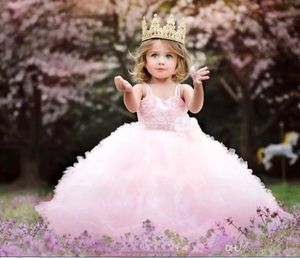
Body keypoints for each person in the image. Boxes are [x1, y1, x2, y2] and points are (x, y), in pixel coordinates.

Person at [35, 14, 293, 243]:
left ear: (178, 61)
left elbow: (195, 107)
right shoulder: (141, 88)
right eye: (154, 56)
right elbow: (133, 105)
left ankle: (192, 223)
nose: (161, 61)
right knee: (140, 188)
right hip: (142, 144)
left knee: (191, 186)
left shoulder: (182, 88)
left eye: (168, 56)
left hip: (182, 143)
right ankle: (141, 226)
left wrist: (198, 84)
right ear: (144, 60)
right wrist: (126, 90)